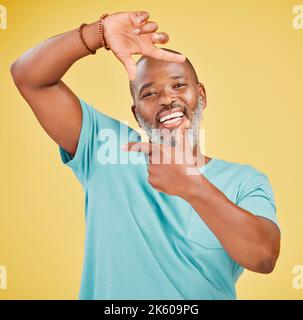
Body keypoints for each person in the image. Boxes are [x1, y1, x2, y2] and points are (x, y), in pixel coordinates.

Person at [10, 10, 280, 300]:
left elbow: (264, 257)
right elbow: (28, 76)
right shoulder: (109, 149)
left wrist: (192, 186)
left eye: (179, 85)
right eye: (149, 94)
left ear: (200, 95)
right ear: (136, 114)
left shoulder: (244, 180)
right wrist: (96, 34)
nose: (166, 99)